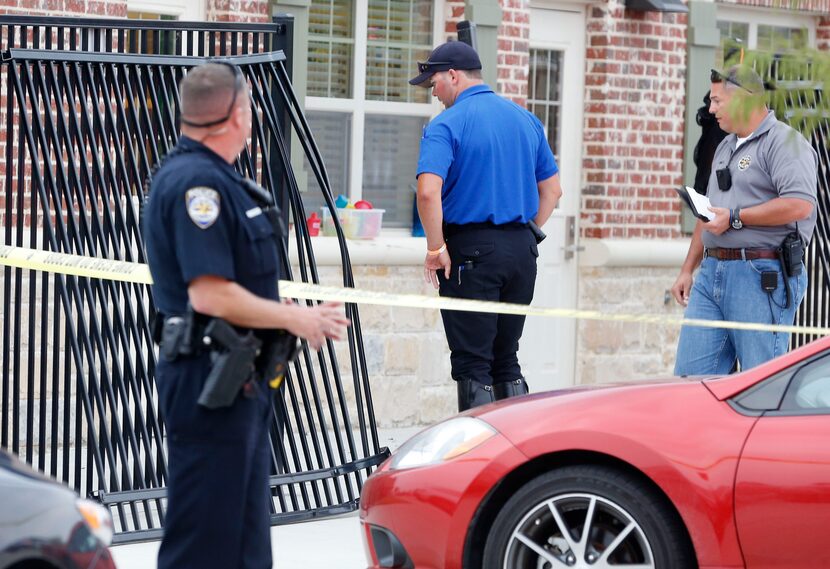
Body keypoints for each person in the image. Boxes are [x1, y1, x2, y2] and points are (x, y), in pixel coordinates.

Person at [143, 62, 350, 569]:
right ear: (236, 114)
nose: (254, 116)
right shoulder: (197, 187)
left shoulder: (222, 180)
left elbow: (237, 285)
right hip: (209, 380)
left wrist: (287, 312)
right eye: (251, 106)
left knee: (244, 543)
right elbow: (210, 296)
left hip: (241, 381)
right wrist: (294, 320)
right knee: (204, 542)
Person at [409, 41, 563, 411]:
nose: (436, 94)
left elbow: (428, 192)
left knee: (473, 364)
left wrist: (435, 248)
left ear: (453, 75)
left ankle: (475, 460)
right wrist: (527, 234)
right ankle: (516, 456)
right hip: (521, 253)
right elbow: (553, 190)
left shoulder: (447, 123)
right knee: (506, 358)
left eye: (435, 85)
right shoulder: (526, 119)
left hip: (472, 252)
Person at [671, 65, 817, 375]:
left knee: (759, 385)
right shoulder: (725, 145)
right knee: (690, 382)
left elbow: (800, 204)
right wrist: (687, 269)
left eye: (717, 101)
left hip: (761, 276)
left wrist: (737, 218)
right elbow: (709, 211)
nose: (710, 110)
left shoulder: (784, 143)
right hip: (712, 274)